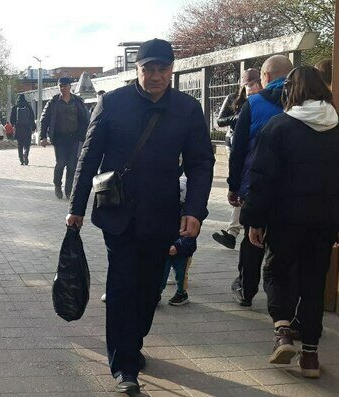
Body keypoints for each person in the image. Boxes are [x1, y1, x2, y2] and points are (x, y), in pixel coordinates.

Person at [66, 39, 214, 394]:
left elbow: (200, 163)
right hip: (118, 213)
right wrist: (76, 208)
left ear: (172, 70)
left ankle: (132, 343)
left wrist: (194, 210)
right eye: (149, 69)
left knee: (149, 291)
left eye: (162, 69)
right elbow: (89, 157)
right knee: (122, 287)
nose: (156, 75)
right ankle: (124, 367)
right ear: (137, 69)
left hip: (163, 214)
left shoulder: (187, 109)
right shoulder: (113, 103)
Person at [240, 66, 339, 378]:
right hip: (323, 223)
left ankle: (283, 332)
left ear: (291, 92)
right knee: (314, 282)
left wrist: (254, 220)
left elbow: (262, 179)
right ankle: (310, 357)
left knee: (276, 272)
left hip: (284, 220)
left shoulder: (278, 127)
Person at [228, 55, 293, 307]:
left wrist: (234, 186)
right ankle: (282, 294)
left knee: (252, 237)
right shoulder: (300, 101)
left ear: (265, 76)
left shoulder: (253, 103)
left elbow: (238, 149)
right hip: (291, 188)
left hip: (255, 184)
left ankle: (246, 289)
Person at [213, 68, 262, 250]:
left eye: (254, 83)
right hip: (234, 145)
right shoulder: (233, 98)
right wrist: (239, 117)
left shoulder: (263, 99)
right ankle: (234, 231)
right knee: (242, 184)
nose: (251, 87)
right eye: (248, 83)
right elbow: (220, 121)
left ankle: (233, 232)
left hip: (253, 146)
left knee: (245, 186)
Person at [40, 77, 90, 199]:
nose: (63, 88)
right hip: (59, 138)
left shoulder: (77, 101)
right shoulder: (53, 102)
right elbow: (44, 119)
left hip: (75, 138)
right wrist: (43, 136)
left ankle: (69, 190)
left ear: (70, 87)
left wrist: (85, 136)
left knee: (72, 166)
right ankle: (57, 185)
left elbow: (85, 119)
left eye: (65, 86)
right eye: (61, 86)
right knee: (61, 164)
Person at [161, 172, 197, 306]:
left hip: (182, 251)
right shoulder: (166, 212)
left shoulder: (189, 216)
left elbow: (190, 236)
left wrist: (178, 246)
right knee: (161, 274)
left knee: (181, 274)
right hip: (167, 249)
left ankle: (181, 293)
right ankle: (156, 293)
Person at [10, 94, 36, 165]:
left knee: (20, 144)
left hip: (18, 128)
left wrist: (13, 125)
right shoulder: (28, 107)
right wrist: (33, 128)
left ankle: (21, 159)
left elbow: (12, 119)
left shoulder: (15, 107)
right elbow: (32, 118)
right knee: (27, 143)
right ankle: (25, 154)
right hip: (27, 128)